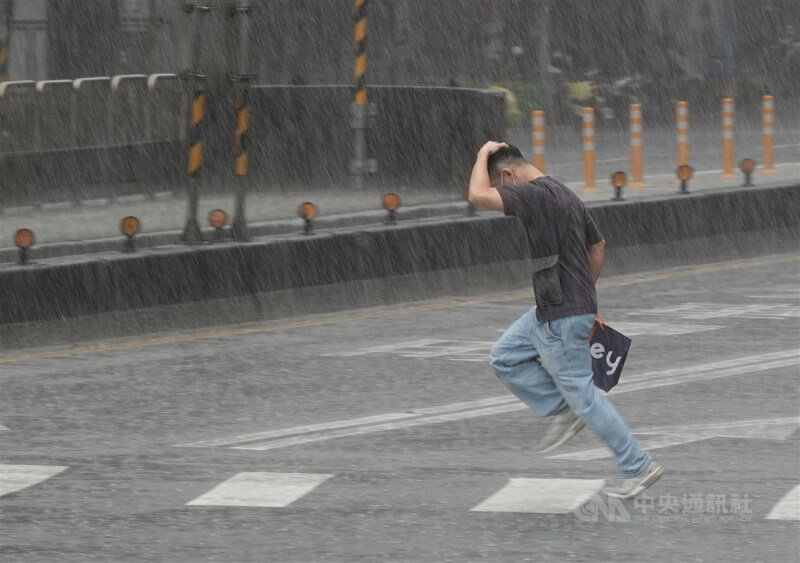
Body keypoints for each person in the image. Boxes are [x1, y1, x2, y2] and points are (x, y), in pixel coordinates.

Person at [467, 141, 663, 499]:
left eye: (501, 185)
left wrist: (483, 154)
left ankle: (638, 466)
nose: (502, 196)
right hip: (555, 308)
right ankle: (561, 409)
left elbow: (476, 195)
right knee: (505, 355)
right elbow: (598, 245)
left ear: (508, 175)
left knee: (585, 398)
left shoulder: (533, 195)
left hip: (563, 312)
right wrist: (585, 293)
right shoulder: (565, 193)